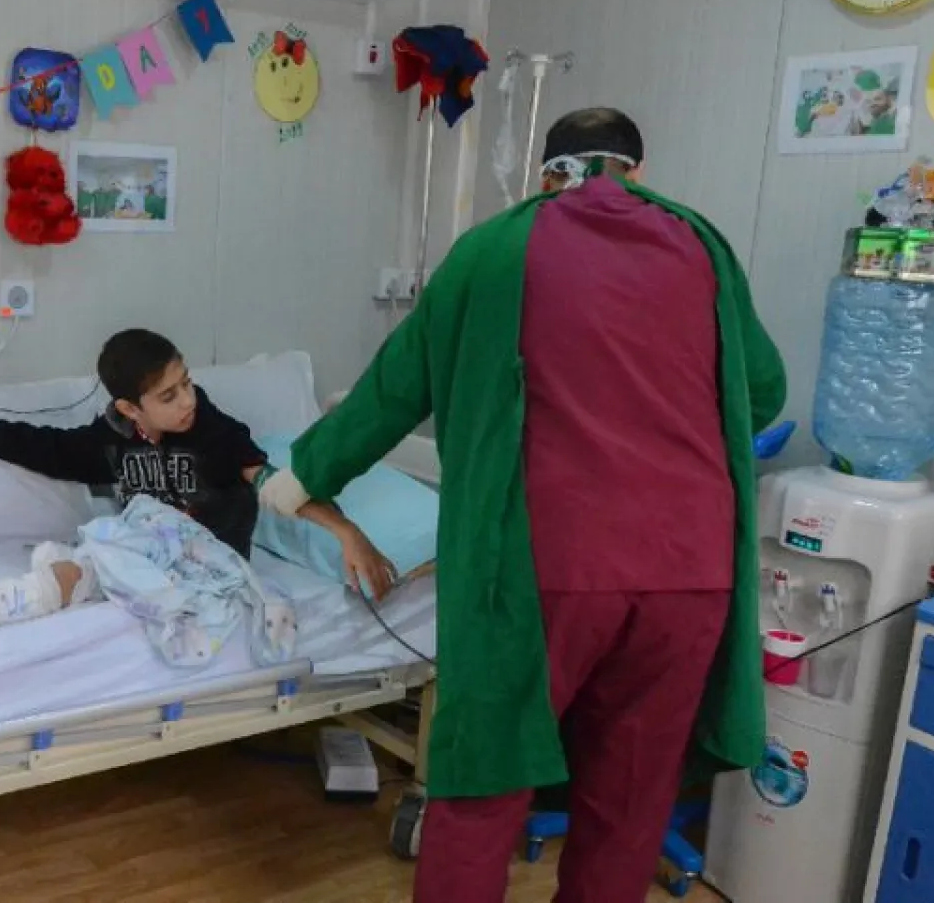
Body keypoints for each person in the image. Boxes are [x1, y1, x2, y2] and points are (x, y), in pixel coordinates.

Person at [260, 108, 786, 902]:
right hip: (687, 574)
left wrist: (302, 478)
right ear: (637, 173)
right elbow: (764, 390)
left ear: (546, 177)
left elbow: (394, 389)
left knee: (482, 790)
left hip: (544, 575)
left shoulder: (497, 250)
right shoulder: (701, 245)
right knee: (631, 803)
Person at [0, 328, 393, 634]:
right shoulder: (110, 439)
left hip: (206, 564)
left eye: (187, 384)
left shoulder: (218, 433)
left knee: (83, 567)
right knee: (67, 577)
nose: (187, 402)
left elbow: (279, 487)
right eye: (169, 396)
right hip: (142, 554)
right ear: (130, 408)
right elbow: (54, 449)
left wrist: (347, 534)